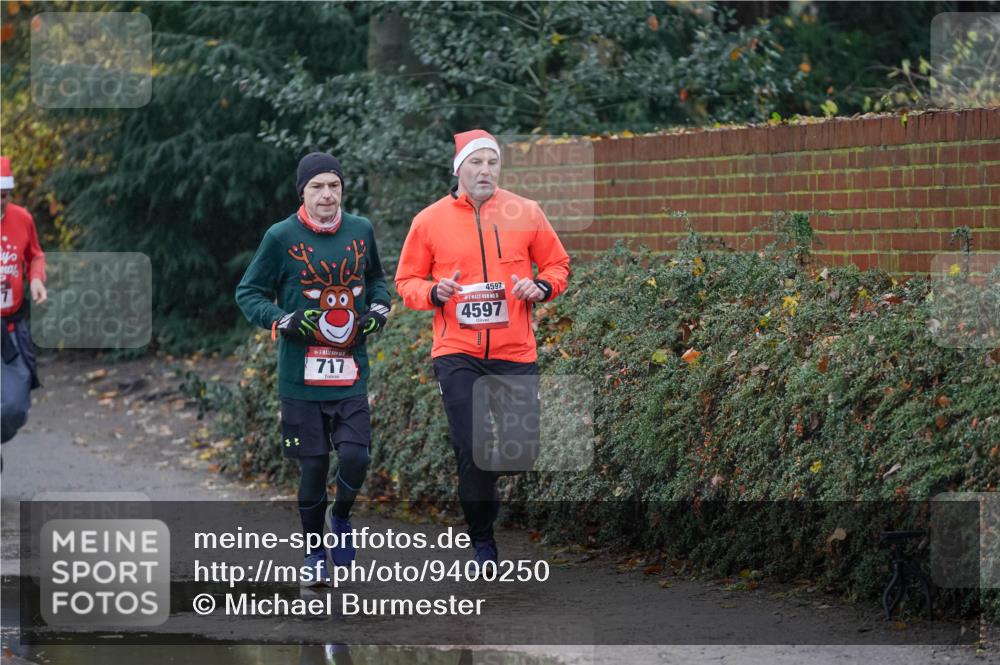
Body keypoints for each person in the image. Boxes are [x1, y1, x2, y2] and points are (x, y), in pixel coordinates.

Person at [395, 130, 570, 566]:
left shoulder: (525, 212)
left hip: (514, 350)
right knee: (473, 448)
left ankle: (487, 487)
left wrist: (541, 286)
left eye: (493, 162)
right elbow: (406, 282)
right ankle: (482, 541)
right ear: (459, 169)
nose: (486, 170)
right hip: (457, 351)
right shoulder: (429, 221)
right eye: (477, 162)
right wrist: (435, 292)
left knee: (520, 450)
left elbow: (557, 264)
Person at [236, 153, 390, 584]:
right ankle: (313, 552)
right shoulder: (280, 236)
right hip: (299, 379)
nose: (327, 194)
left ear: (342, 189)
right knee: (314, 465)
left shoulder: (361, 230)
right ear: (302, 191)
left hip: (350, 373)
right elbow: (248, 292)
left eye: (334, 186)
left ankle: (340, 517)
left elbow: (377, 278)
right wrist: (284, 320)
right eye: (317, 187)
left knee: (356, 457)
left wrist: (378, 307)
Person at [1, 155, 47, 445]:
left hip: (11, 330)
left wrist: (36, 279)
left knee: (16, 407)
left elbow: (35, 254)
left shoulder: (22, 219)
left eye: (3, 196)